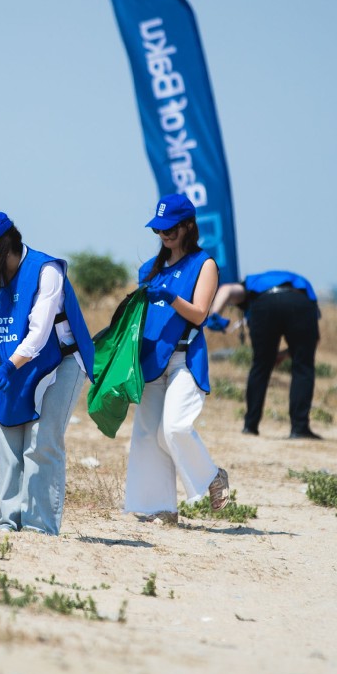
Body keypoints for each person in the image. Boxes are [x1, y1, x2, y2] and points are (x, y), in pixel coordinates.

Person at [0, 210, 95, 535]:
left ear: (3, 245)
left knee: (42, 440)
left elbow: (39, 332)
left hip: (59, 362)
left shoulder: (46, 271)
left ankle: (40, 527)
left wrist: (8, 366)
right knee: (6, 438)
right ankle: (8, 523)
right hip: (14, 364)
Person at [124, 193, 230, 525]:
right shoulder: (148, 269)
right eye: (158, 229)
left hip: (185, 357)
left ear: (188, 226)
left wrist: (170, 296)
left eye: (170, 228)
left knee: (173, 428)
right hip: (151, 359)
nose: (163, 235)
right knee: (147, 435)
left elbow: (199, 314)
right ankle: (161, 509)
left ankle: (212, 476)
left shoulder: (204, 264)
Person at [208, 271, 323, 439]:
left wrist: (214, 314)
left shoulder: (251, 283)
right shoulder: (301, 282)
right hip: (300, 303)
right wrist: (284, 354)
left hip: (264, 304)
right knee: (303, 367)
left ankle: (250, 426)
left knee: (260, 366)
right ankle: (299, 428)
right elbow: (313, 340)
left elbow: (227, 289)